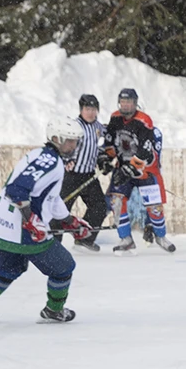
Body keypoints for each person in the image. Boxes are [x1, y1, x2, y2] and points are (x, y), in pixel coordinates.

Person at [0, 116, 93, 323]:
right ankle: (54, 310)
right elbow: (17, 190)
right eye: (70, 140)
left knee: (7, 269)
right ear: (56, 138)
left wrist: (69, 221)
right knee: (63, 266)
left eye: (75, 141)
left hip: (2, 226)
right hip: (22, 231)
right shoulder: (52, 163)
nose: (74, 145)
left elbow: (49, 197)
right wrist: (30, 220)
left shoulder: (38, 154)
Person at [101, 88, 176, 254]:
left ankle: (161, 236)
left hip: (144, 170)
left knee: (154, 206)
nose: (125, 105)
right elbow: (110, 142)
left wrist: (130, 167)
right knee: (116, 202)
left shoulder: (144, 121)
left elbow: (146, 150)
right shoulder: (115, 118)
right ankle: (126, 239)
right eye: (123, 101)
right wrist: (105, 159)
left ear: (135, 103)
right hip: (122, 169)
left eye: (129, 102)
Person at [59, 93, 109, 252]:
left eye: (94, 109)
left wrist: (104, 160)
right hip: (71, 176)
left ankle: (85, 239)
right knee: (60, 209)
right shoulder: (74, 126)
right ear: (81, 110)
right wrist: (67, 159)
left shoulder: (97, 127)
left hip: (89, 176)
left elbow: (105, 141)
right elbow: (64, 144)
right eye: (87, 109)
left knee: (100, 206)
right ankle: (52, 242)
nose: (91, 112)